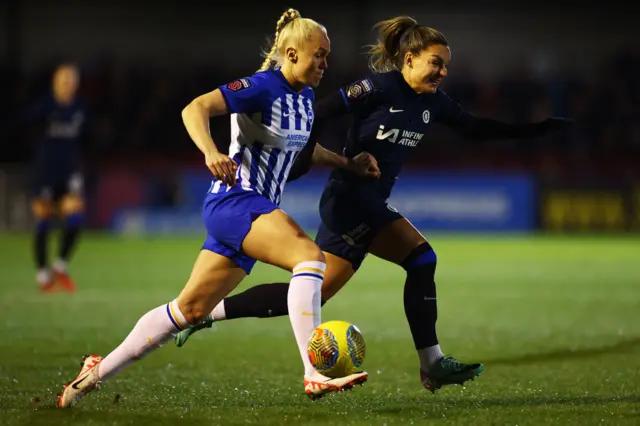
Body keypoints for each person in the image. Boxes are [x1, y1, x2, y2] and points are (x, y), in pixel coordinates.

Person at [174, 16, 574, 393]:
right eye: (436, 63)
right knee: (421, 258)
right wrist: (302, 158)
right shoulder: (377, 88)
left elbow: (476, 128)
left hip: (365, 202)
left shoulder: (435, 102)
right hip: (348, 201)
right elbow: (320, 111)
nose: (443, 72)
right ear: (410, 59)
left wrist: (536, 130)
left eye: (446, 66)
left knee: (315, 293)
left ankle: (208, 312)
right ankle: (431, 363)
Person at [57, 8, 376, 408]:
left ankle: (92, 375)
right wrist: (210, 152)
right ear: (292, 53)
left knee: (188, 310)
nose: (326, 63)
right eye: (319, 55)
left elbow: (305, 150)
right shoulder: (261, 86)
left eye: (327, 55)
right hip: (235, 202)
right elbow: (194, 108)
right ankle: (314, 372)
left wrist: (349, 163)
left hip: (251, 213)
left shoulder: (306, 97)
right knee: (310, 259)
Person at [26, 63, 88, 293]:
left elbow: (87, 139)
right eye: (64, 80)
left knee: (75, 218)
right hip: (45, 172)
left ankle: (60, 265)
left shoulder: (80, 109)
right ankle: (43, 274)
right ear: (55, 82)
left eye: (72, 80)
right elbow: (25, 131)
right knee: (44, 219)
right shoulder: (44, 108)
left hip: (69, 172)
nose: (68, 84)